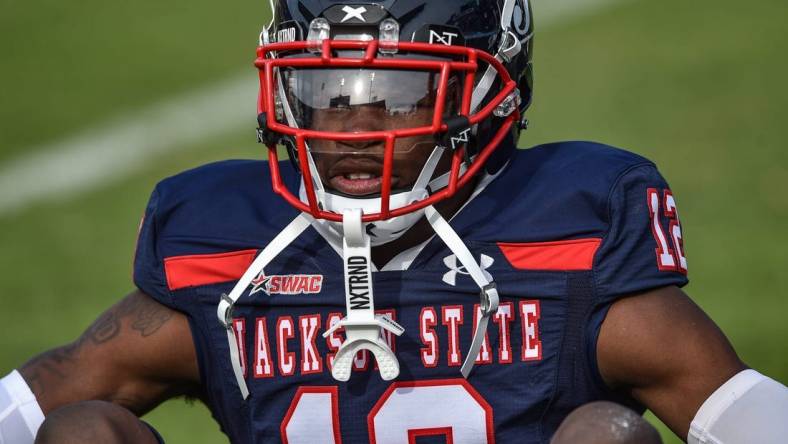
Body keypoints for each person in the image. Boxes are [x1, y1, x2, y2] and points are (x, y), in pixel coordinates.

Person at [1, 0, 786, 443]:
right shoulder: (230, 253)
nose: (350, 131)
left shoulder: (565, 238)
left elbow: (734, 409)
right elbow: (43, 402)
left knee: (604, 437)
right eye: (325, 94)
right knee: (83, 437)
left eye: (398, 98)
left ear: (489, 103)